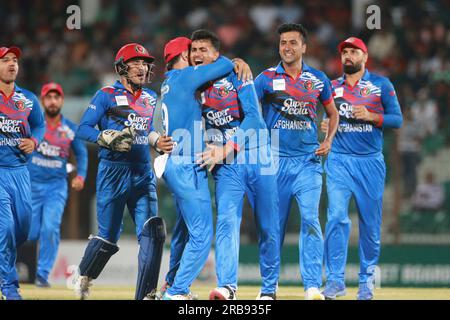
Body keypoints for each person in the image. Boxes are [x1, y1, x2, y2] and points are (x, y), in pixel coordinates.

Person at [74, 43, 173, 300]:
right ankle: (84, 274)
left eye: (145, 63)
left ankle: (147, 294)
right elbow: (82, 129)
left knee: (153, 232)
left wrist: (156, 141)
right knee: (108, 237)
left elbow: (146, 130)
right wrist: (104, 137)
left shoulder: (150, 97)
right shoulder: (105, 95)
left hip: (142, 172)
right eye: (136, 63)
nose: (143, 68)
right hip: (112, 172)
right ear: (121, 68)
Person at [191, 29, 280, 300]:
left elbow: (254, 119)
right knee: (227, 222)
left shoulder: (238, 74)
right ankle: (227, 286)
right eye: (193, 50)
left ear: (217, 55)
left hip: (256, 155)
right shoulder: (191, 84)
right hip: (226, 164)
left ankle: (269, 290)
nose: (197, 55)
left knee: (267, 225)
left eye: (203, 50)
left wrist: (227, 148)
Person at [254, 23, 339, 300]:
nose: (287, 48)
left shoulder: (318, 79)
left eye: (292, 42)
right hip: (273, 161)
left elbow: (332, 113)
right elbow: (248, 112)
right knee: (271, 227)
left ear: (304, 47)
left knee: (311, 220)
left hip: (308, 161)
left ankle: (312, 287)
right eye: (282, 43)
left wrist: (328, 140)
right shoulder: (265, 79)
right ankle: (269, 289)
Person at [321, 37, 403, 300]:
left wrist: (372, 116)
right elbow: (327, 118)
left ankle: (366, 282)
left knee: (370, 224)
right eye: (344, 52)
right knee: (335, 217)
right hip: (339, 160)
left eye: (353, 52)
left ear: (365, 57)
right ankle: (335, 281)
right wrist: (326, 127)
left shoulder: (381, 84)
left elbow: (397, 119)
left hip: (370, 162)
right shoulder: (331, 87)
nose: (348, 56)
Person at [159, 36, 236, 300]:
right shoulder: (185, 76)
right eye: (192, 51)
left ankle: (172, 284)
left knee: (184, 230)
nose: (196, 55)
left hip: (178, 162)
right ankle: (176, 292)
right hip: (185, 163)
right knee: (202, 235)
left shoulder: (170, 82)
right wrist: (237, 61)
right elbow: (224, 64)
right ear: (183, 56)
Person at [27, 82, 88, 288]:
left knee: (50, 228)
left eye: (56, 97)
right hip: (31, 187)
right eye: (48, 97)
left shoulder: (70, 129)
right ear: (43, 101)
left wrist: (81, 176)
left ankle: (42, 275)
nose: (53, 101)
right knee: (29, 232)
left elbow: (82, 153)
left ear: (61, 100)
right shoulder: (33, 126)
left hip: (56, 187)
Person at [0, 46, 45, 300]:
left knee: (23, 230)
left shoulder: (28, 98)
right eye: (5, 60)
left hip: (20, 172)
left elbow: (39, 125)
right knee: (4, 229)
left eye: (14, 60)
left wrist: (34, 142)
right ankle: (9, 286)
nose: (11, 64)